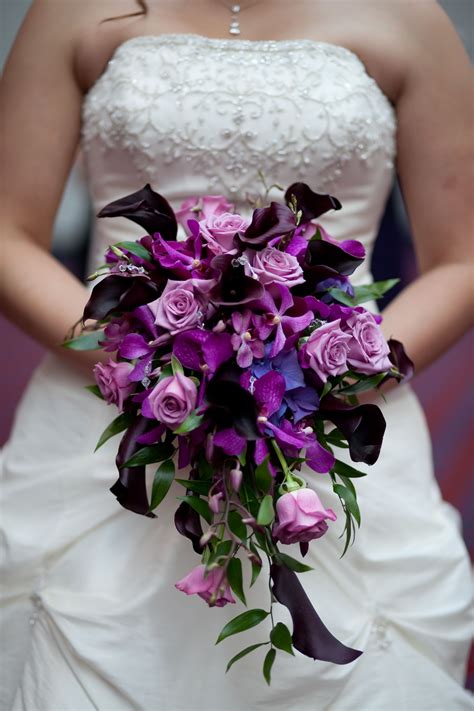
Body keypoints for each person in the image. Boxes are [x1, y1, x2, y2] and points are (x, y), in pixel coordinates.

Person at [1, 1, 472, 708]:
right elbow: (7, 231)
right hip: (106, 412)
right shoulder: (72, 9)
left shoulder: (409, 16)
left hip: (333, 418)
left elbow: (462, 258)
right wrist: (145, 357)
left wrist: (335, 371)